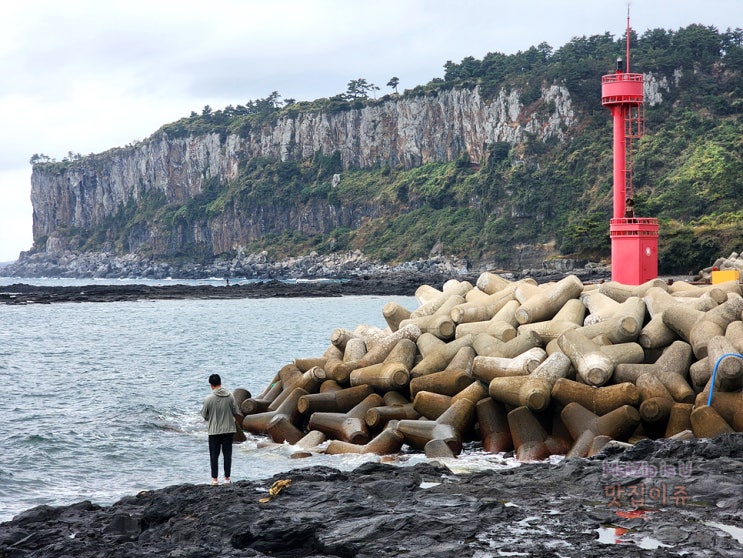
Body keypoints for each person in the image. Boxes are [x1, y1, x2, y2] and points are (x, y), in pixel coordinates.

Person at [201, 374, 239, 486]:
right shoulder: (230, 396)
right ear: (220, 383)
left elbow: (204, 415)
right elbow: (235, 411)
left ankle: (215, 480)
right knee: (227, 455)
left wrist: (211, 418)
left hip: (214, 431)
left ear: (211, 385)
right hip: (228, 430)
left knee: (214, 455)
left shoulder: (208, 399)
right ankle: (227, 478)